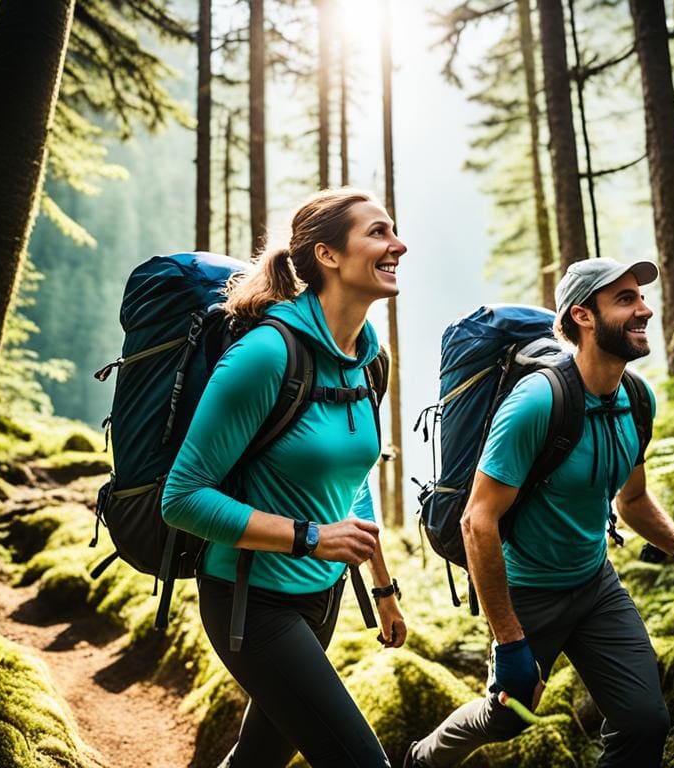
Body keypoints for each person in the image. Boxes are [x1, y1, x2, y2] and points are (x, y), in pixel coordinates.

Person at [404, 257, 674, 768]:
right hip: (527, 594)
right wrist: (510, 640)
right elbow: (477, 521)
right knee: (509, 716)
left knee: (645, 722)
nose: (645, 310)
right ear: (583, 316)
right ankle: (423, 759)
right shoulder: (537, 404)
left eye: (641, 297)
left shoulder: (636, 399)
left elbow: (631, 500)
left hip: (594, 587)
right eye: (626, 300)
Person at [162, 189, 408, 768]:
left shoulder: (368, 359)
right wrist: (312, 538)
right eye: (378, 233)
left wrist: (382, 585)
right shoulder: (267, 354)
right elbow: (183, 497)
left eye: (393, 230)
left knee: (260, 756)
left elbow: (351, 480)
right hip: (250, 603)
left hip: (320, 599)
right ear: (327, 254)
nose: (398, 245)